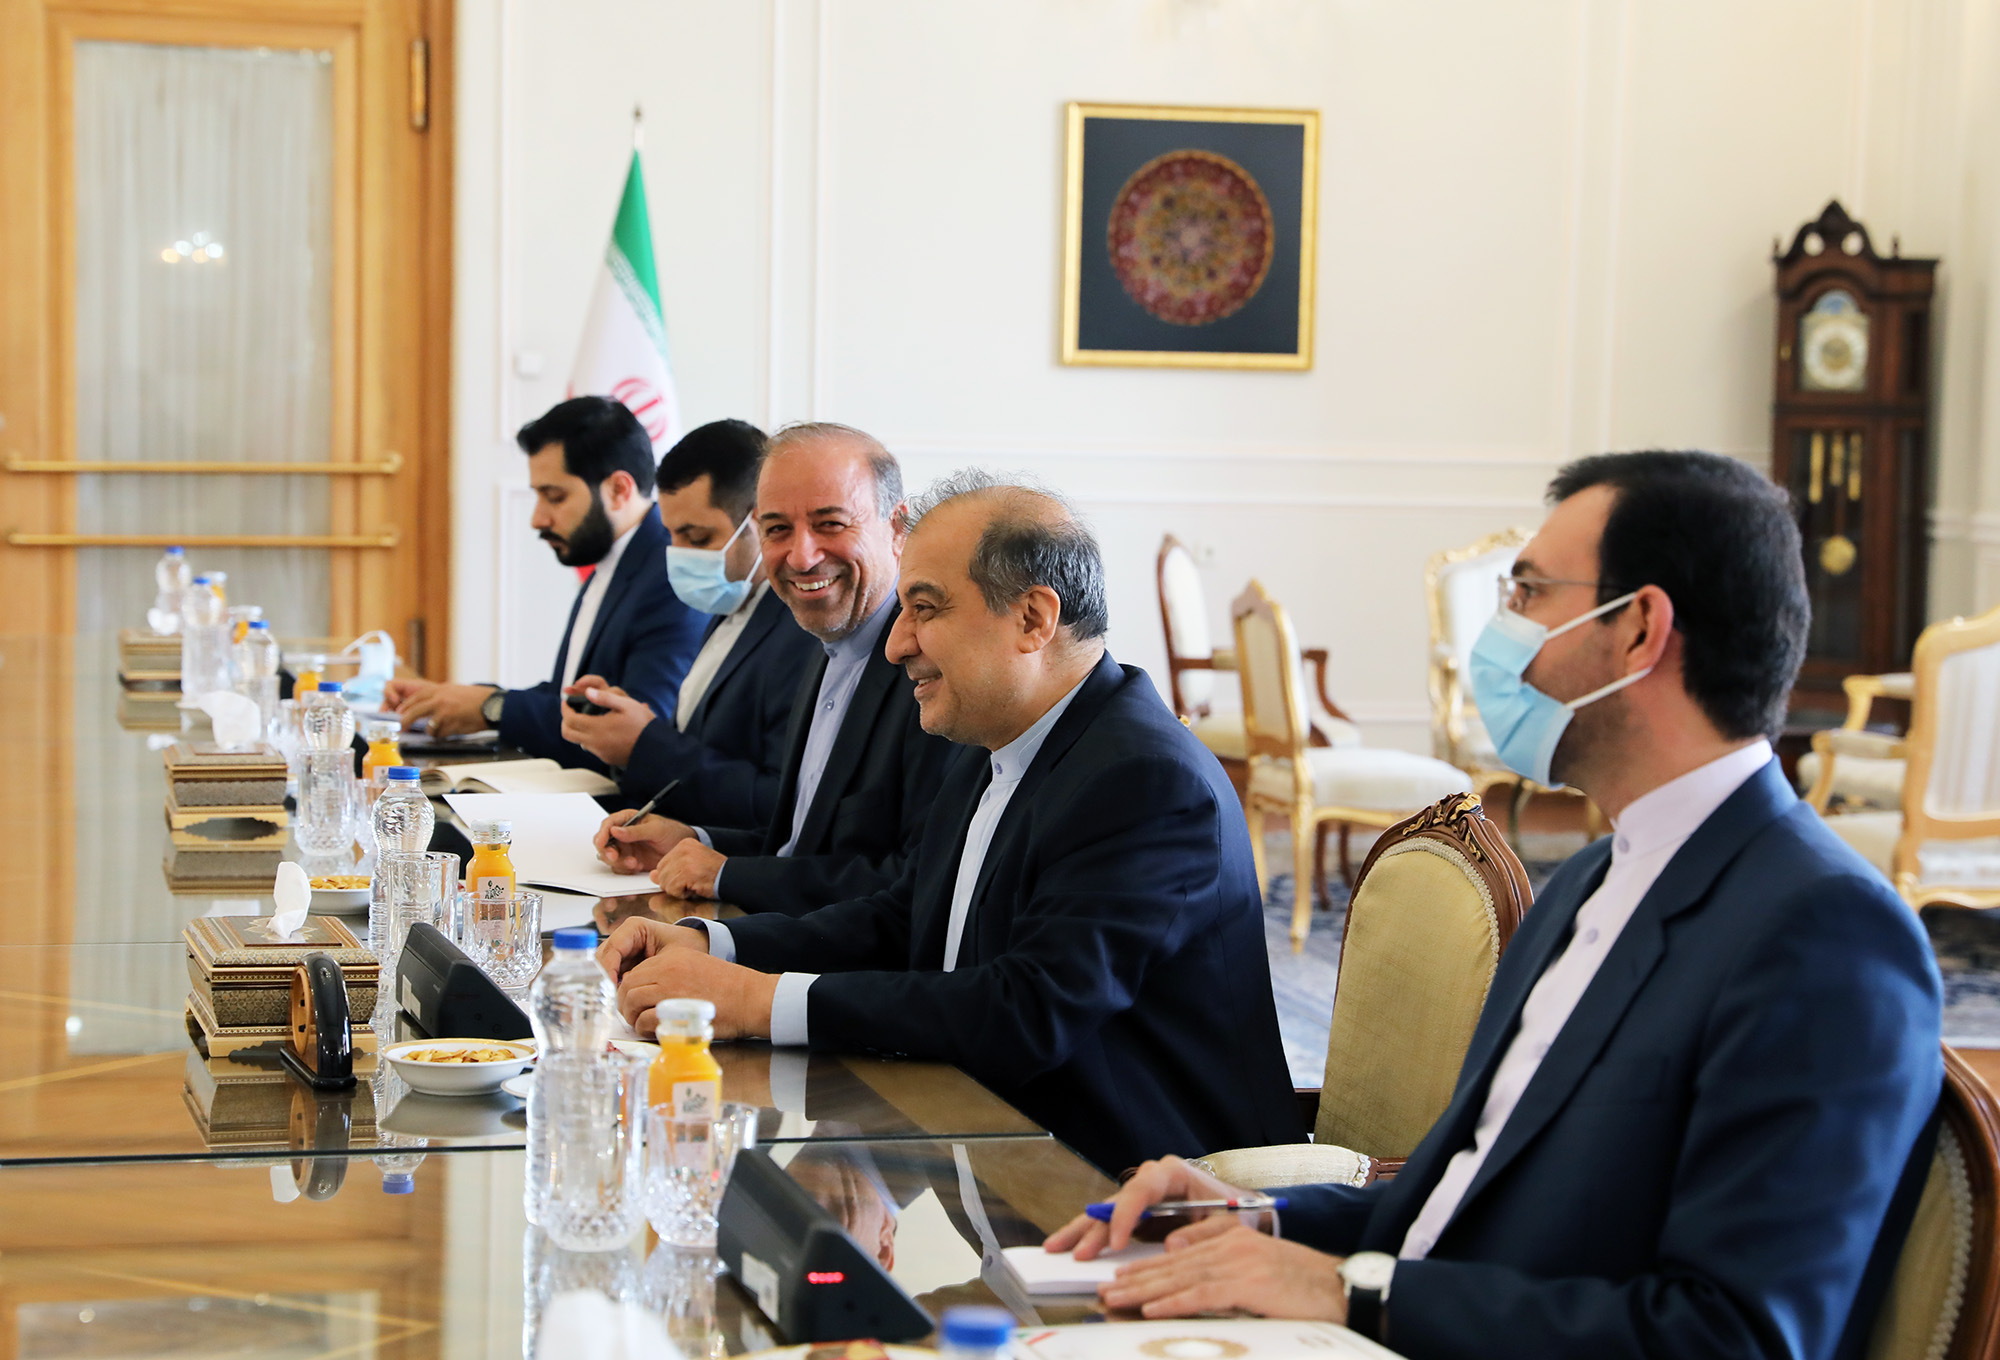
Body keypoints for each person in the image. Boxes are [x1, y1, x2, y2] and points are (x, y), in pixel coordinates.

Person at [1049, 451, 1943, 1360]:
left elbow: (1735, 1338)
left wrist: (1352, 1296)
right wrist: (1253, 1219)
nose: (1500, 629)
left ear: (1640, 629)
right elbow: (1449, 1206)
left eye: (1528, 593)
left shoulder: (1824, 932)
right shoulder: (1588, 882)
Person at [594, 469, 1301, 1175]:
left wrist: (756, 1001)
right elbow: (905, 919)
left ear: (1033, 619)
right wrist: (714, 944)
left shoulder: (1145, 780)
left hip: (1141, 1190)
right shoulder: (993, 742)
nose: (896, 644)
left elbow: (1029, 1011)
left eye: (925, 609)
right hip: (987, 1141)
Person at [590, 423, 953, 915]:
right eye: (778, 529)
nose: (801, 557)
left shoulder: (934, 667)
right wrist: (695, 840)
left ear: (898, 529)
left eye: (831, 524)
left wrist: (727, 874)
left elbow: (914, 884)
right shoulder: (825, 641)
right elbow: (800, 843)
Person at [385, 397, 706, 765]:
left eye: (555, 497)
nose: (538, 519)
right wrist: (457, 700)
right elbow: (566, 697)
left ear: (619, 490)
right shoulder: (614, 561)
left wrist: (493, 707)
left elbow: (635, 731)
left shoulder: (669, 576)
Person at [561, 419, 819, 830]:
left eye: (697, 538)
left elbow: (779, 802)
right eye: (671, 536)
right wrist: (628, 721)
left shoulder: (802, 630)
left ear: (760, 525)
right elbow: (704, 744)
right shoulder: (726, 604)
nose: (679, 554)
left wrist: (644, 745)